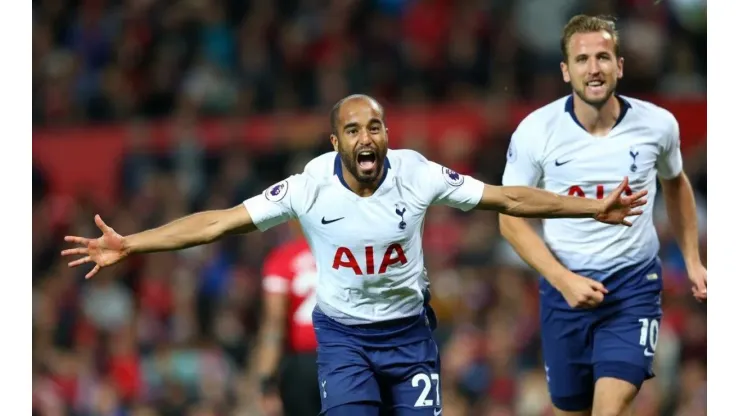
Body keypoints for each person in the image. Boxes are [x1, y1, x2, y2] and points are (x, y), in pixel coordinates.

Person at [62, 94, 647, 416]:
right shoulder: (309, 186)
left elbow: (509, 196)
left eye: (375, 126)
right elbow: (218, 223)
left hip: (411, 337)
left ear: (386, 134)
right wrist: (132, 243)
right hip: (343, 339)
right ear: (334, 140)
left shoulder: (417, 173)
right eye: (353, 129)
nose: (366, 138)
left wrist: (590, 207)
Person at [498, 15, 707, 416]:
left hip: (633, 286)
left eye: (603, 57)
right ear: (565, 70)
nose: (593, 68)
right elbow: (509, 218)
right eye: (581, 59)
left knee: (609, 408)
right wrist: (563, 280)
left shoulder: (657, 125)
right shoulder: (536, 131)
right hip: (564, 292)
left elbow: (676, 183)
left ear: (620, 65)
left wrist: (693, 259)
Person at [249, 221, 321, 416]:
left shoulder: (282, 258)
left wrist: (266, 380)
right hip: (345, 358)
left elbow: (274, 323)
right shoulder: (344, 252)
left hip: (301, 365)